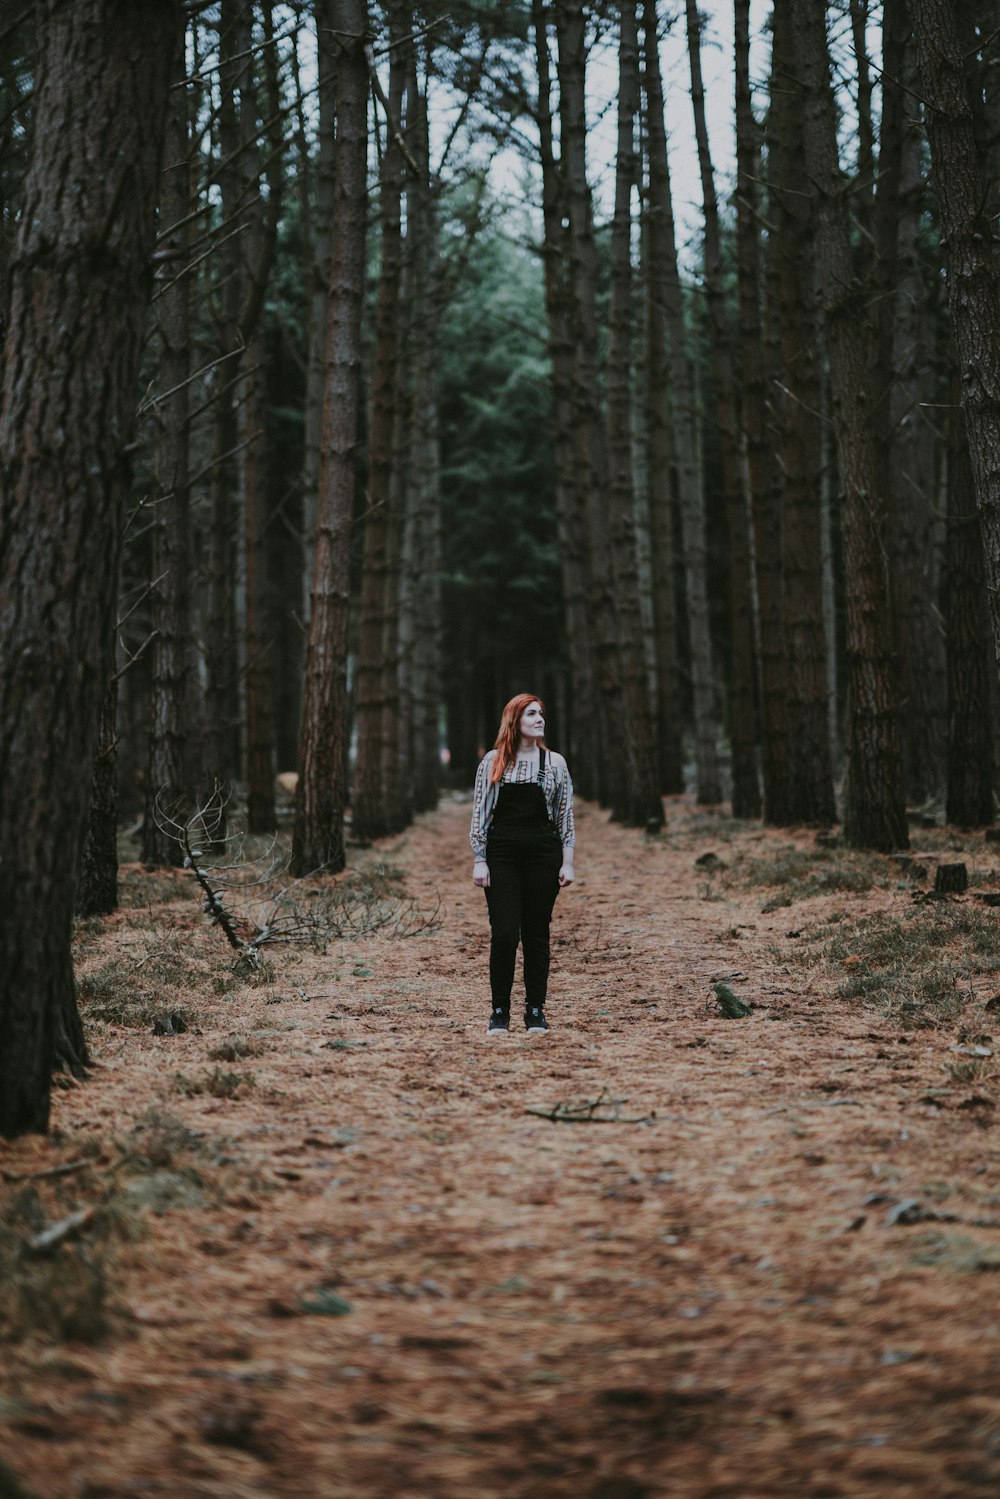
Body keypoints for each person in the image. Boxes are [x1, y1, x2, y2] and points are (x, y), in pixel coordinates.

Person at [470, 694, 575, 1034]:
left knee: (536, 932)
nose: (539, 718)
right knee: (503, 932)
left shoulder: (555, 763)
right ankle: (499, 1010)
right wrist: (480, 860)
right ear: (515, 720)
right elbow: (479, 815)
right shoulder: (493, 761)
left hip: (543, 856)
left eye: (541, 713)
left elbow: (565, 817)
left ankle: (535, 1010)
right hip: (502, 856)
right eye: (531, 714)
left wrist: (568, 863)